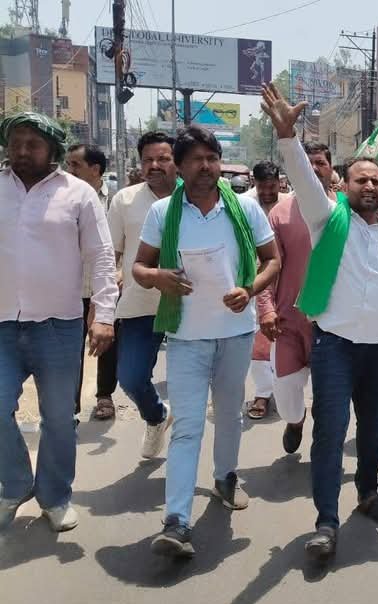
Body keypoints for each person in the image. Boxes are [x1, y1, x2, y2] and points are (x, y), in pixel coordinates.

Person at [262, 83, 378, 560]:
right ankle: (327, 522)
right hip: (334, 346)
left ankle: (368, 493)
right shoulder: (327, 218)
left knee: (373, 428)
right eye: (359, 180)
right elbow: (304, 179)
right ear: (344, 186)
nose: (368, 186)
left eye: (375, 181)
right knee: (331, 431)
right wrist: (287, 138)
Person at [133, 126, 280, 557]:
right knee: (188, 427)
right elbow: (140, 267)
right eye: (195, 159)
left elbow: (272, 260)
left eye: (211, 158)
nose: (205, 166)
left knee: (230, 416)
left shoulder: (245, 208)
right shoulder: (163, 212)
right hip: (185, 338)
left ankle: (225, 477)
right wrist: (158, 276)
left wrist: (249, 290)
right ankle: (176, 521)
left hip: (236, 333)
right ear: (179, 167)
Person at [0, 112, 118, 532]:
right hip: (2, 324)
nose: (21, 151)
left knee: (58, 418)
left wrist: (104, 315)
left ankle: (54, 496)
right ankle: (15, 485)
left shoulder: (78, 194)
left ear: (52, 148)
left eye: (32, 143)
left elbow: (101, 257)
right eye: (15, 142)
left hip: (58, 326)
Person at [107, 131, 178, 458]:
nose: (154, 165)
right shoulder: (124, 200)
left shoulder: (196, 196)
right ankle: (156, 416)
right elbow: (111, 254)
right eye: (148, 159)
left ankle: (188, 458)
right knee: (131, 378)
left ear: (177, 161)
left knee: (192, 386)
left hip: (190, 304)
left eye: (163, 158)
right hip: (140, 303)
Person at [257, 143, 327, 455]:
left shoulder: (343, 214)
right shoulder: (280, 215)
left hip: (332, 326)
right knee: (286, 393)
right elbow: (268, 266)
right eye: (306, 163)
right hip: (288, 322)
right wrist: (266, 309)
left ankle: (323, 448)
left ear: (330, 169)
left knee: (330, 397)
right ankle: (295, 421)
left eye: (320, 163)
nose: (314, 169)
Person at [67, 143, 119, 420]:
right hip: (70, 290)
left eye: (75, 164)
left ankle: (104, 396)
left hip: (104, 289)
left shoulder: (116, 201)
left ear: (95, 169)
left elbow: (120, 246)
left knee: (106, 346)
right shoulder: (62, 199)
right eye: (68, 164)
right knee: (69, 351)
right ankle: (70, 408)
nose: (69, 170)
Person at [246, 161, 285, 420]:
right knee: (259, 339)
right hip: (256, 277)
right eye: (263, 187)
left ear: (279, 182)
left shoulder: (290, 203)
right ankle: (262, 393)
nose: (268, 192)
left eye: (272, 187)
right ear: (254, 183)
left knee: (284, 337)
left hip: (287, 278)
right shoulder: (244, 205)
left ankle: (283, 390)